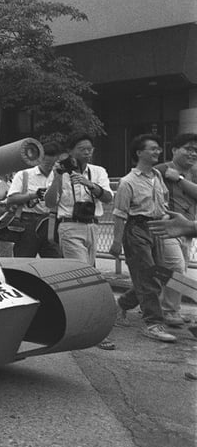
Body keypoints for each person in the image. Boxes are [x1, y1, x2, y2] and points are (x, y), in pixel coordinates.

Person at [109, 134, 176, 343]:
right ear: (139, 153)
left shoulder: (157, 176)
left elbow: (163, 202)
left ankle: (122, 304)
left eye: (158, 148)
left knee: (158, 276)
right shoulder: (128, 182)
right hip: (136, 230)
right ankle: (153, 323)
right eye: (153, 148)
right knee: (147, 277)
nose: (158, 152)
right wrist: (117, 242)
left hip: (157, 229)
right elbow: (119, 213)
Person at [149, 132, 197, 326]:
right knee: (176, 268)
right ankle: (169, 311)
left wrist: (179, 179)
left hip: (188, 230)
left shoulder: (193, 173)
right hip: (166, 228)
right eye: (188, 149)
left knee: (174, 270)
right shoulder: (160, 170)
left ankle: (135, 301)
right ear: (174, 150)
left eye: (196, 150)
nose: (193, 154)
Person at [44, 132, 112, 267]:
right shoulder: (59, 172)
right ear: (70, 151)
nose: (87, 152)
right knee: (82, 268)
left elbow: (108, 198)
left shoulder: (98, 171)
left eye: (90, 149)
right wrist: (57, 177)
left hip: (92, 225)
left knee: (89, 268)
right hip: (69, 225)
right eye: (82, 149)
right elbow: (50, 203)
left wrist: (90, 185)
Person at [5, 142, 62, 258]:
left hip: (50, 222)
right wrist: (33, 195)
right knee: (24, 261)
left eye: (52, 163)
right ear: (39, 159)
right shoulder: (24, 175)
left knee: (54, 263)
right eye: (46, 162)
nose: (49, 166)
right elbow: (11, 199)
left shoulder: (59, 176)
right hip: (27, 222)